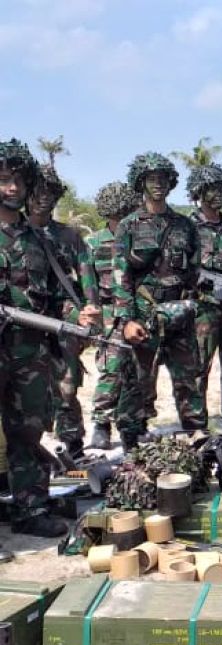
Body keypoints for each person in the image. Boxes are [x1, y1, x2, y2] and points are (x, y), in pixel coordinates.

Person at [0, 139, 98, 537]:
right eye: (4, 179)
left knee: (28, 431)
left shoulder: (40, 240)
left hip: (30, 353)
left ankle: (29, 509)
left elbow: (57, 298)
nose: (12, 188)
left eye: (19, 181)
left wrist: (79, 314)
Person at [112, 151, 206, 448]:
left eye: (164, 179)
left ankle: (198, 437)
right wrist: (126, 320)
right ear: (141, 182)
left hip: (179, 318)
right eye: (152, 179)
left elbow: (194, 271)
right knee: (137, 382)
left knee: (188, 382)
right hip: (143, 318)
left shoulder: (185, 226)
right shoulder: (129, 225)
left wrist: (189, 306)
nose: (159, 185)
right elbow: (121, 275)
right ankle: (131, 440)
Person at [26, 163, 94, 457]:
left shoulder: (68, 236)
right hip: (24, 313)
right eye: (39, 190)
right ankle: (29, 446)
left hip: (63, 312)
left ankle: (73, 441)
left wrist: (90, 307)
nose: (44, 197)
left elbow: (86, 271)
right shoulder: (15, 232)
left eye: (51, 192)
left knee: (67, 382)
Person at [85, 181, 142, 450]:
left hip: (134, 310)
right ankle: (101, 424)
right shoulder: (94, 243)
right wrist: (94, 314)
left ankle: (130, 427)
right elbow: (88, 283)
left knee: (136, 372)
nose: (118, 219)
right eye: (114, 214)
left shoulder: (138, 239)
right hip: (107, 312)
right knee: (110, 369)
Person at [188, 164, 222, 437]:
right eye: (211, 189)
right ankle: (197, 425)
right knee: (198, 367)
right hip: (201, 309)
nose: (217, 195)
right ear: (199, 192)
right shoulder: (187, 229)